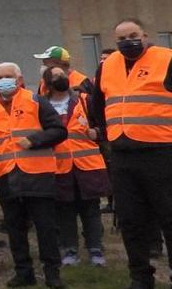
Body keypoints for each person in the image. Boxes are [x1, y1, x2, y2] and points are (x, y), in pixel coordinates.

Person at [88, 18, 172, 289]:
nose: (127, 42)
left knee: (171, 219)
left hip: (161, 153)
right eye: (121, 38)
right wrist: (104, 131)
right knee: (130, 220)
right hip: (123, 153)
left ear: (145, 36)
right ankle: (140, 277)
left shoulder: (169, 60)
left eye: (133, 35)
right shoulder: (107, 66)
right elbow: (97, 102)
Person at [0, 62, 66, 288]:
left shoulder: (36, 100)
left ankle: (52, 273)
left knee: (46, 228)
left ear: (19, 79)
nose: (3, 80)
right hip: (5, 175)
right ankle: (24, 272)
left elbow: (58, 130)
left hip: (38, 174)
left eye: (8, 76)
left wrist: (34, 140)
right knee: (15, 228)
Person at [46, 66, 111, 268]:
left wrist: (98, 132)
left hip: (87, 166)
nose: (61, 78)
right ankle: (70, 250)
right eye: (56, 76)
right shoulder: (43, 105)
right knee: (65, 211)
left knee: (91, 210)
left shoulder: (84, 100)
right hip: (59, 167)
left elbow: (106, 124)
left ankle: (95, 249)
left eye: (62, 75)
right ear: (48, 82)